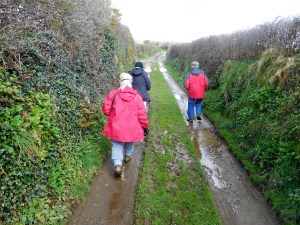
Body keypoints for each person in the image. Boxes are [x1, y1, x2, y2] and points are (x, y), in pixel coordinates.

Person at [102, 73, 149, 177]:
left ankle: (118, 164)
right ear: (131, 82)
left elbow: (106, 110)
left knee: (116, 144)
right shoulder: (137, 97)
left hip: (116, 126)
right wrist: (145, 126)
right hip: (131, 127)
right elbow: (142, 114)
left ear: (120, 81)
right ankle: (128, 155)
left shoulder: (113, 94)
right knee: (129, 140)